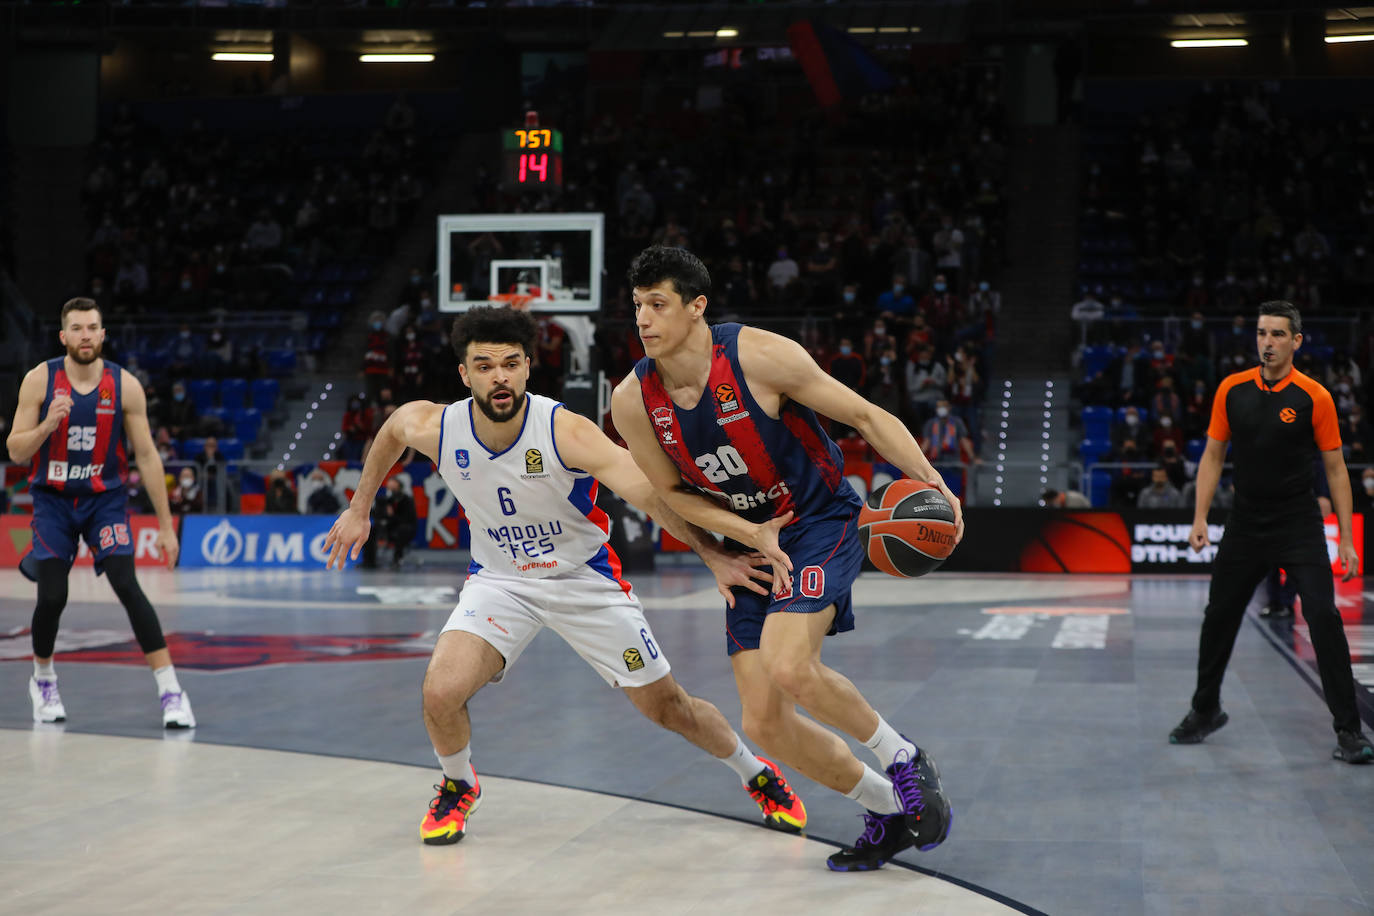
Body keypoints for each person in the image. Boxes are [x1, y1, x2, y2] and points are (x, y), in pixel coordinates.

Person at [323, 305, 807, 846]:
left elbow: (649, 493)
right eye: (484, 366)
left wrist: (712, 553)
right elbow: (392, 431)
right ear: (464, 375)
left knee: (669, 708)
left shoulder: (565, 431)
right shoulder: (436, 425)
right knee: (440, 693)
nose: (499, 376)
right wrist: (360, 507)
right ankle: (459, 785)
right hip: (500, 582)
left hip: (584, 581)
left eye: (510, 364)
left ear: (529, 367)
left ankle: (754, 772)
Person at [612, 246, 959, 872]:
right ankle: (890, 810)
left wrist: (932, 481)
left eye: (657, 304)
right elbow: (668, 492)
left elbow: (861, 415)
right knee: (766, 724)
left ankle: (904, 758)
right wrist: (717, 552)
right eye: (637, 306)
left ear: (697, 308)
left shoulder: (759, 357)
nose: (643, 318)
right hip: (748, 546)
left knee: (790, 665)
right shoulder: (633, 401)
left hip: (816, 521)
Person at [1172, 301, 1372, 763]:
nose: (1267, 342)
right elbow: (1213, 457)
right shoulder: (1231, 390)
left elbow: (1337, 471)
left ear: (1296, 341)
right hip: (1245, 521)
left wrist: (1344, 537)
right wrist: (1200, 517)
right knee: (1219, 615)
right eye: (1262, 333)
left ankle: (1349, 732)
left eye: (1278, 334)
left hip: (1297, 521)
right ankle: (1205, 710)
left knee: (1323, 615)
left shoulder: (1315, 397)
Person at [6, 298, 194, 728]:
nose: (86, 335)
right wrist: (46, 426)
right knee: (52, 596)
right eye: (77, 328)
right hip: (53, 500)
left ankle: (171, 691)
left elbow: (147, 456)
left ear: (103, 334)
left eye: (93, 327)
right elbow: (16, 450)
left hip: (103, 502)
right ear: (63, 336)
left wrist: (166, 527)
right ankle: (43, 678)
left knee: (127, 584)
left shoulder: (124, 385)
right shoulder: (40, 380)